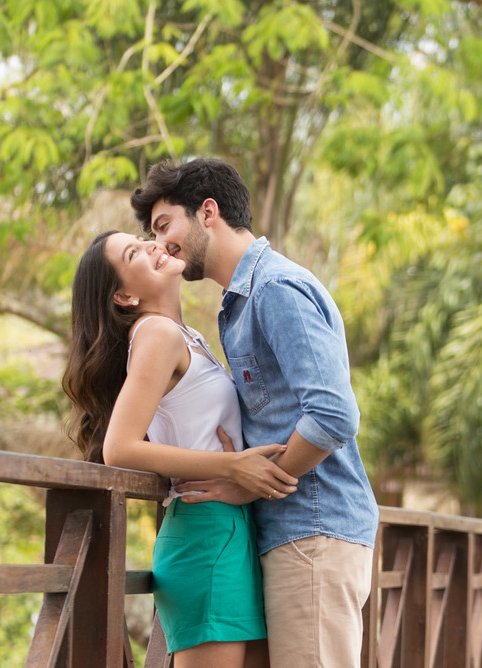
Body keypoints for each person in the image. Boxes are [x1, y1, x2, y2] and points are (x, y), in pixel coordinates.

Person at [130, 158, 379, 666]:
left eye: (163, 226)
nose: (160, 244)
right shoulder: (236, 304)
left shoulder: (273, 289)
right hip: (285, 532)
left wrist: (251, 481)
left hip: (312, 528)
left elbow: (333, 413)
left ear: (207, 212)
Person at [62, 230, 299, 668]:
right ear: (124, 296)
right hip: (203, 532)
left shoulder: (184, 336)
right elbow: (119, 448)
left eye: (142, 237)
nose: (152, 244)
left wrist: (235, 471)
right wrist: (231, 466)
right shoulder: (155, 334)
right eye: (134, 252)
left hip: (231, 528)